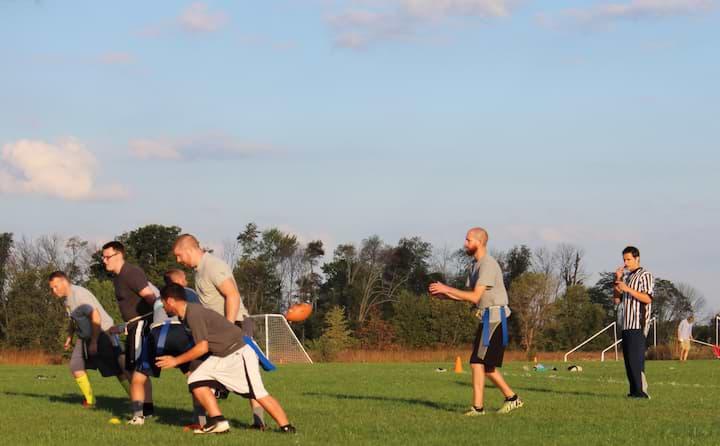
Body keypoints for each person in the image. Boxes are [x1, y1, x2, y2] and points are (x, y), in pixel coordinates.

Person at [156, 283, 296, 434]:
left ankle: (287, 427)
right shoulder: (186, 314)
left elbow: (202, 347)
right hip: (222, 354)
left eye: (163, 303)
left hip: (238, 351)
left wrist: (176, 361)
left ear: (170, 300)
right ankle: (218, 421)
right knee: (196, 380)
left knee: (258, 393)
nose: (163, 308)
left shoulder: (193, 313)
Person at [172, 233, 266, 429]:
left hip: (236, 325)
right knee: (195, 370)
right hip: (217, 331)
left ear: (189, 250)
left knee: (249, 377)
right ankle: (202, 421)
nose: (178, 261)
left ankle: (259, 422)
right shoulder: (199, 272)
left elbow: (232, 295)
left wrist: (229, 326)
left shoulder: (212, 266)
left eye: (179, 256)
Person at [429, 227, 523, 415]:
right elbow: (470, 296)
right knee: (486, 366)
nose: (465, 243)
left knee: (477, 362)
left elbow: (474, 297)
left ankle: (478, 408)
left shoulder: (488, 264)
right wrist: (444, 296)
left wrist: (446, 287)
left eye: (468, 240)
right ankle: (512, 398)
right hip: (487, 318)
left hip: (495, 319)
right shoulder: (474, 266)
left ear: (479, 242)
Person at [48, 271, 130, 407]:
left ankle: (136, 398)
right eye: (52, 288)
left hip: (103, 332)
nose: (53, 291)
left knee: (117, 368)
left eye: (55, 287)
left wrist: (94, 341)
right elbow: (73, 320)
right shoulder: (67, 300)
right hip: (84, 337)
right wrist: (69, 337)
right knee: (76, 366)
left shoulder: (79, 294)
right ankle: (90, 400)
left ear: (64, 282)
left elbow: (96, 316)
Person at [102, 241, 162, 424]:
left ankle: (138, 416)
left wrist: (160, 323)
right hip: (134, 326)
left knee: (134, 370)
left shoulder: (131, 273)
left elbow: (150, 297)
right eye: (102, 257)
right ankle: (147, 410)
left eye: (107, 257)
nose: (104, 261)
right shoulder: (118, 277)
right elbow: (132, 309)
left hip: (142, 327)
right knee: (139, 370)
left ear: (119, 255)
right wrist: (122, 326)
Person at [613, 246, 654, 399]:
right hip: (626, 323)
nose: (626, 262)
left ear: (637, 258)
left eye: (629, 259)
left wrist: (628, 289)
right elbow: (617, 300)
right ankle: (634, 391)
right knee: (629, 361)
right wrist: (617, 280)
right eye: (624, 259)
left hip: (638, 323)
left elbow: (648, 298)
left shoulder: (645, 275)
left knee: (636, 360)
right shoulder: (628, 277)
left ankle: (642, 392)